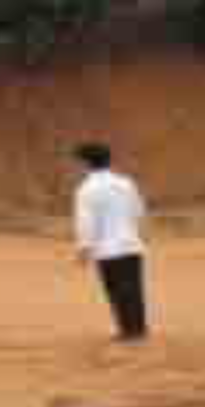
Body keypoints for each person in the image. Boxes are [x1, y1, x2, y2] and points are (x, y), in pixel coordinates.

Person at [73, 142, 150, 343]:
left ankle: (127, 330)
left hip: (107, 249)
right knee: (134, 288)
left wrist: (83, 248)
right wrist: (138, 234)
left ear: (84, 163)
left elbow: (86, 222)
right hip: (132, 245)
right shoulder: (126, 182)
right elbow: (138, 211)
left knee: (116, 291)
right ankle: (138, 328)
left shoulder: (86, 189)